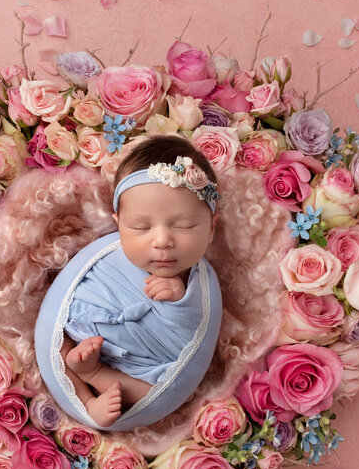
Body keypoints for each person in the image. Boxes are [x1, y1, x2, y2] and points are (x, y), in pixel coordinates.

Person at [39, 135, 223, 428]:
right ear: (119, 223)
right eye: (140, 226)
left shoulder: (201, 283)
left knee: (157, 393)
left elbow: (197, 335)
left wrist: (180, 300)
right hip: (80, 338)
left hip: (142, 371)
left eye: (184, 225)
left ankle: (95, 376)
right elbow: (61, 296)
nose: (162, 240)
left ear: (211, 228)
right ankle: (86, 399)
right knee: (55, 345)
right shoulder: (105, 255)